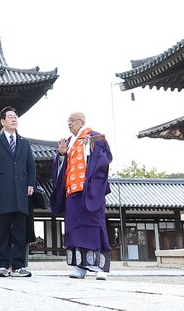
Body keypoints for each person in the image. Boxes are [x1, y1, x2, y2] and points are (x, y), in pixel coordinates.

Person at [52, 111, 112, 280]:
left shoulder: (95, 137)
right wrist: (61, 155)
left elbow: (106, 158)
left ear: (80, 121)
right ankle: (79, 267)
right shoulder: (69, 142)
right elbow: (60, 168)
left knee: (93, 226)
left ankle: (99, 268)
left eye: (71, 120)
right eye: (68, 121)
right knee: (74, 228)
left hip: (90, 190)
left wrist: (91, 148)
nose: (69, 123)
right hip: (72, 191)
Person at [0, 106, 35, 277]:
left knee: (20, 229)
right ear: (2, 121)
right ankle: (3, 265)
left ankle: (19, 265)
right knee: (3, 229)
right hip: (2, 190)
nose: (14, 119)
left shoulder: (24, 142)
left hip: (21, 191)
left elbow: (30, 166)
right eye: (10, 117)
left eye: (15, 116)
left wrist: (30, 184)